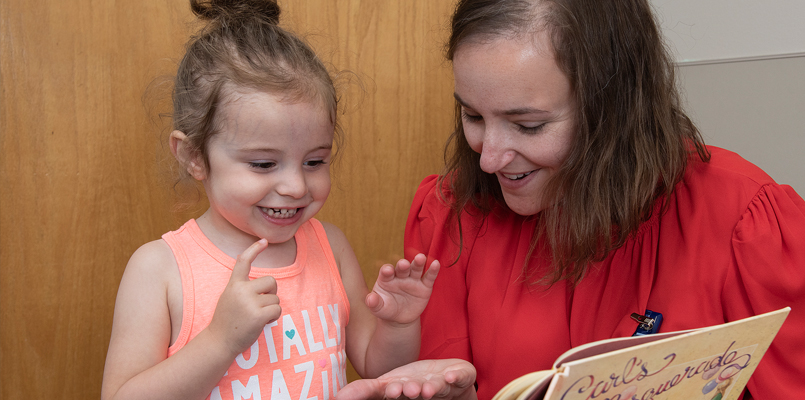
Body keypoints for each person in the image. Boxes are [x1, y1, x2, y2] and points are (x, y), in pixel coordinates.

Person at [338, 0, 805, 399]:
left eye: (529, 125)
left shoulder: (746, 222)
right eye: (473, 115)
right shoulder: (449, 216)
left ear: (615, 109)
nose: (489, 160)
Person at [100, 1, 440, 399]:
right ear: (194, 157)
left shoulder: (330, 246)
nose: (296, 186)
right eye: (263, 164)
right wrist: (220, 341)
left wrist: (397, 326)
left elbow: (378, 369)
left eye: (314, 161)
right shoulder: (158, 269)